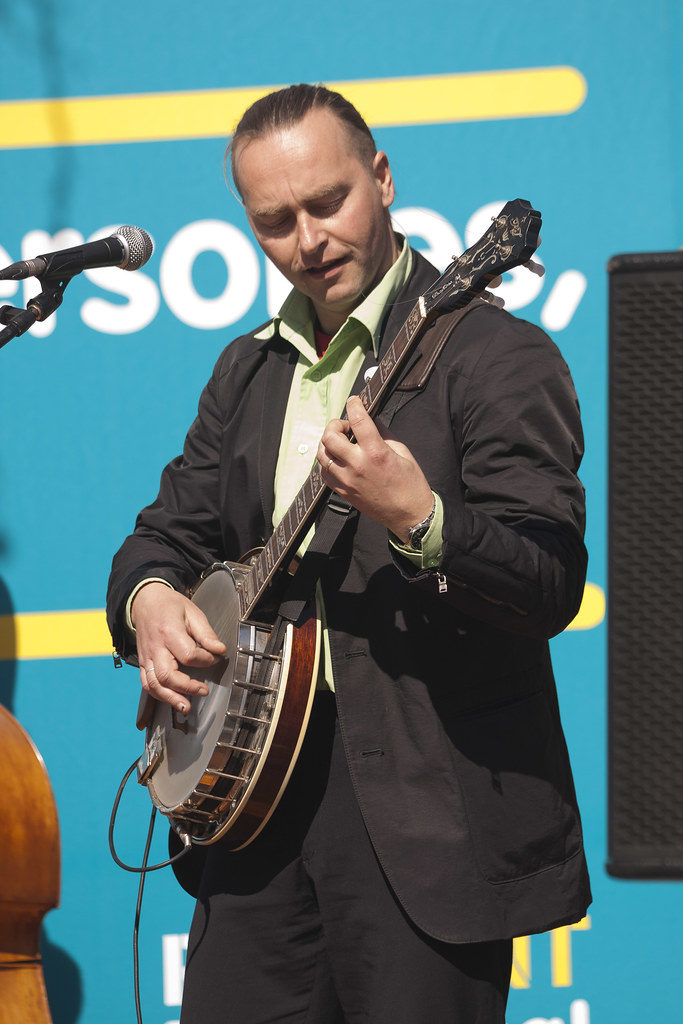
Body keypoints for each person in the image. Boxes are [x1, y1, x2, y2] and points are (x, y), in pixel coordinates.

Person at [107, 83, 591, 1024]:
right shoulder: (247, 369)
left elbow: (547, 581)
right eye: (274, 222)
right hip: (248, 811)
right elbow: (161, 535)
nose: (308, 240)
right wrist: (151, 601)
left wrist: (422, 520)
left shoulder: (497, 356)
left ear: (381, 176)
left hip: (427, 817)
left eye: (327, 202)